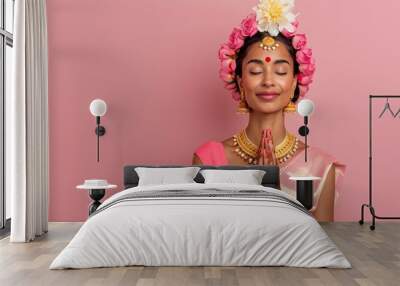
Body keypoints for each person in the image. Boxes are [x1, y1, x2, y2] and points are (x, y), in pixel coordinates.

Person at [192, 0, 345, 222]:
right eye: (255, 71)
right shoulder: (209, 159)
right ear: (240, 81)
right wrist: (256, 193)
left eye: (281, 71)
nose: (268, 81)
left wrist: (273, 193)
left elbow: (319, 251)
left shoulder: (320, 167)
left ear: (295, 82)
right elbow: (205, 240)